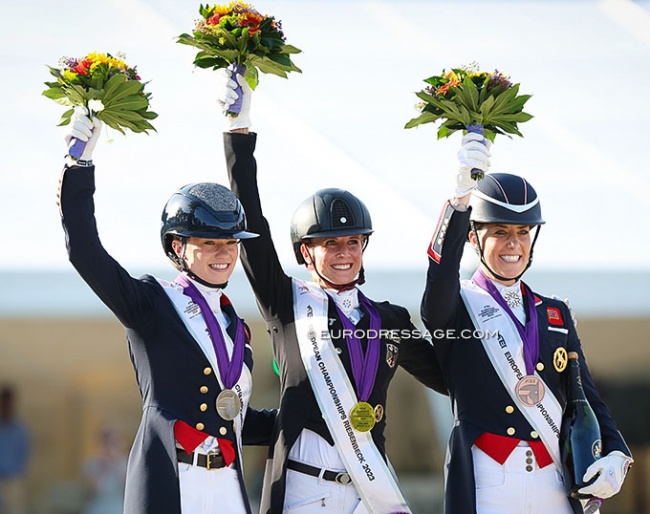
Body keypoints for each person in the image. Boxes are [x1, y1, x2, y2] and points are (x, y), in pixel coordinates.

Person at [217, 70, 447, 514]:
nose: (344, 253)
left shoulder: (392, 321)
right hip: (304, 493)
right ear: (306, 251)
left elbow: (451, 377)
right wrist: (238, 133)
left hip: (368, 493)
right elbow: (252, 226)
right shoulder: (286, 304)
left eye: (352, 243)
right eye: (330, 244)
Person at [56, 108, 277, 514]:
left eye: (231, 243)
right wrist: (79, 165)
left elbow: (235, 419)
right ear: (178, 247)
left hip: (228, 485)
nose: (224, 253)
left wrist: (311, 414)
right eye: (209, 243)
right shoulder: (151, 303)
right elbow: (85, 251)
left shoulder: (238, 329)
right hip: (173, 485)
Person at [420, 131, 633, 513]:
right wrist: (460, 201)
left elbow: (585, 396)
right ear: (473, 238)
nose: (513, 243)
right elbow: (438, 284)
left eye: (522, 232)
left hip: (553, 479)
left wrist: (617, 453)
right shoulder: (458, 304)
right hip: (490, 479)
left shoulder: (555, 313)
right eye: (500, 232)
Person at [80, 426, 127, 514]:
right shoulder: (91, 464)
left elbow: (127, 489)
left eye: (113, 442)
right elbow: (91, 491)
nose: (109, 447)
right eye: (105, 442)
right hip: (98, 508)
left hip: (120, 508)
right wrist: (104, 468)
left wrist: (116, 465)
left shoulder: (127, 463)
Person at [0, 386, 30, 514]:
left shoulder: (20, 430)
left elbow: (24, 453)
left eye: (10, 402)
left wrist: (17, 475)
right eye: (5, 402)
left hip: (14, 481)